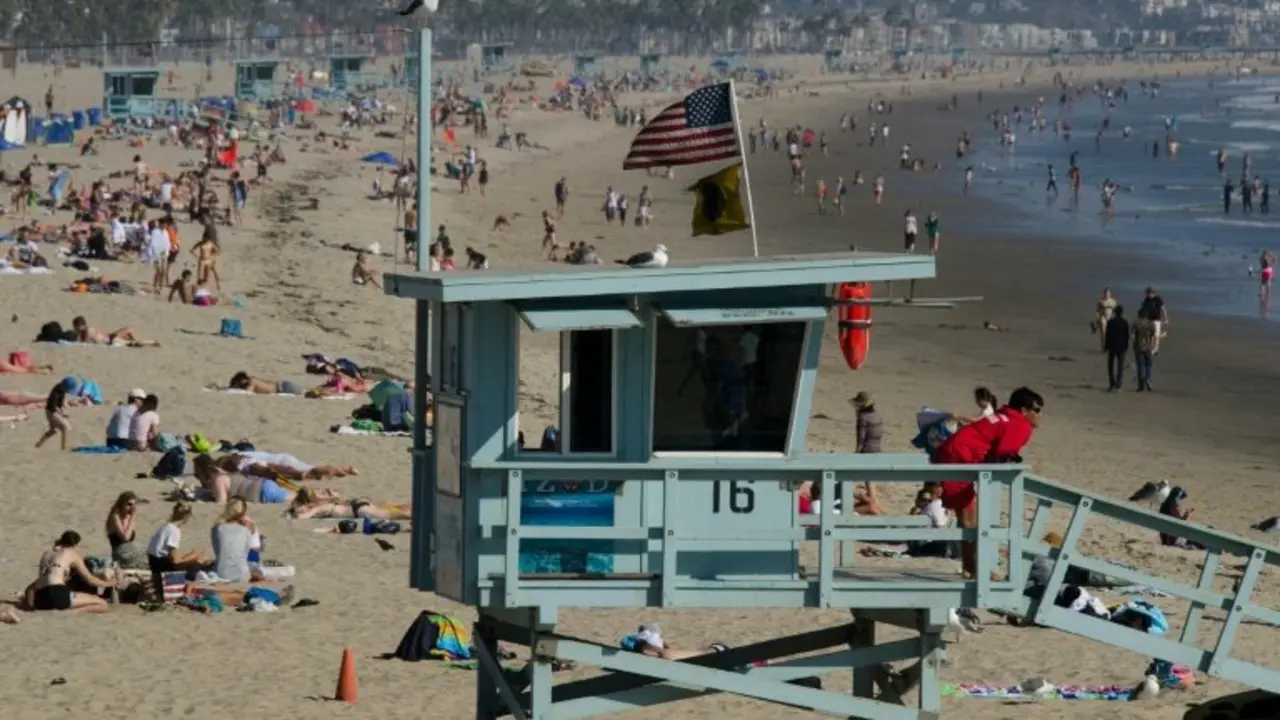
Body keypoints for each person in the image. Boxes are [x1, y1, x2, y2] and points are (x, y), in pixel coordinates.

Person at [933, 387, 1044, 577]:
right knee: (969, 519)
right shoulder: (1020, 424)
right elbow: (1004, 453)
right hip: (960, 460)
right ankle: (978, 570)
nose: (1040, 415)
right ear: (1024, 411)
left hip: (951, 453)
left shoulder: (1002, 416)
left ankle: (971, 568)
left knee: (967, 517)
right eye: (1037, 410)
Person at [21, 531, 115, 613]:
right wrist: (110, 583)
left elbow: (48, 575)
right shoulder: (71, 553)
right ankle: (73, 612)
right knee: (102, 604)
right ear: (75, 545)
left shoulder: (47, 553)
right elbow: (90, 580)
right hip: (58, 594)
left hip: (40, 597)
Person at [146, 502, 208, 595]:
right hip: (163, 569)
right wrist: (194, 557)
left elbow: (172, 553)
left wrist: (189, 555)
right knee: (196, 565)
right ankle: (188, 588)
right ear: (187, 517)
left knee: (193, 557)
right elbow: (175, 561)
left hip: (155, 564)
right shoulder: (174, 531)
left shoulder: (165, 527)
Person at [192, 453, 297, 505]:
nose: (197, 477)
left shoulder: (218, 480)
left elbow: (221, 503)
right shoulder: (221, 474)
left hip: (263, 492)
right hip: (264, 486)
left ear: (203, 472)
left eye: (197, 474)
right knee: (299, 499)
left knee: (300, 501)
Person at [211, 498, 261, 582]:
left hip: (221, 573)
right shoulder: (247, 528)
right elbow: (251, 550)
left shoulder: (216, 528)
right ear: (243, 512)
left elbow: (218, 550)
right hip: (243, 574)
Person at [105, 491, 148, 569]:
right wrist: (133, 518)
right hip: (121, 556)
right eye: (129, 505)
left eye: (134, 505)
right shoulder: (115, 517)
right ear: (121, 504)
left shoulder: (127, 517)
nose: (132, 508)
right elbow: (125, 537)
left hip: (129, 554)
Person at [34, 381, 71, 450]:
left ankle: (38, 444)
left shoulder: (62, 391)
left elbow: (60, 405)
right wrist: (62, 414)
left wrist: (63, 413)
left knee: (53, 430)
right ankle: (64, 448)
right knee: (64, 428)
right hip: (51, 412)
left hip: (52, 412)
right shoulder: (56, 392)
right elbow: (53, 406)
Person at [1104, 305, 1130, 392]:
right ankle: (1119, 384)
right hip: (1121, 346)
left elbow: (1107, 335)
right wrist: (1126, 346)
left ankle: (1112, 384)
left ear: (1115, 312)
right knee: (1120, 366)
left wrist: (1106, 346)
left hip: (1112, 346)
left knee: (1110, 366)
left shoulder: (1111, 322)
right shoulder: (1125, 323)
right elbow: (1127, 336)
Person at [1132, 309, 1157, 392]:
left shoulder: (1136, 323)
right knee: (1148, 365)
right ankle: (1148, 378)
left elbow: (1132, 336)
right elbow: (1153, 335)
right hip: (1148, 347)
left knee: (1140, 366)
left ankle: (1141, 385)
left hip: (1138, 347)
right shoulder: (1151, 324)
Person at [1138, 287, 1168, 352]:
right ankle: (1150, 347)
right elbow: (1144, 309)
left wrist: (1166, 318)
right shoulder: (1146, 299)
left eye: (1149, 293)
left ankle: (1156, 348)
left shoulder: (1158, 299)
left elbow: (1163, 309)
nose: (1148, 295)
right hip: (1148, 320)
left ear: (1153, 293)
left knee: (1156, 335)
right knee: (1149, 334)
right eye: (1147, 293)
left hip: (1156, 320)